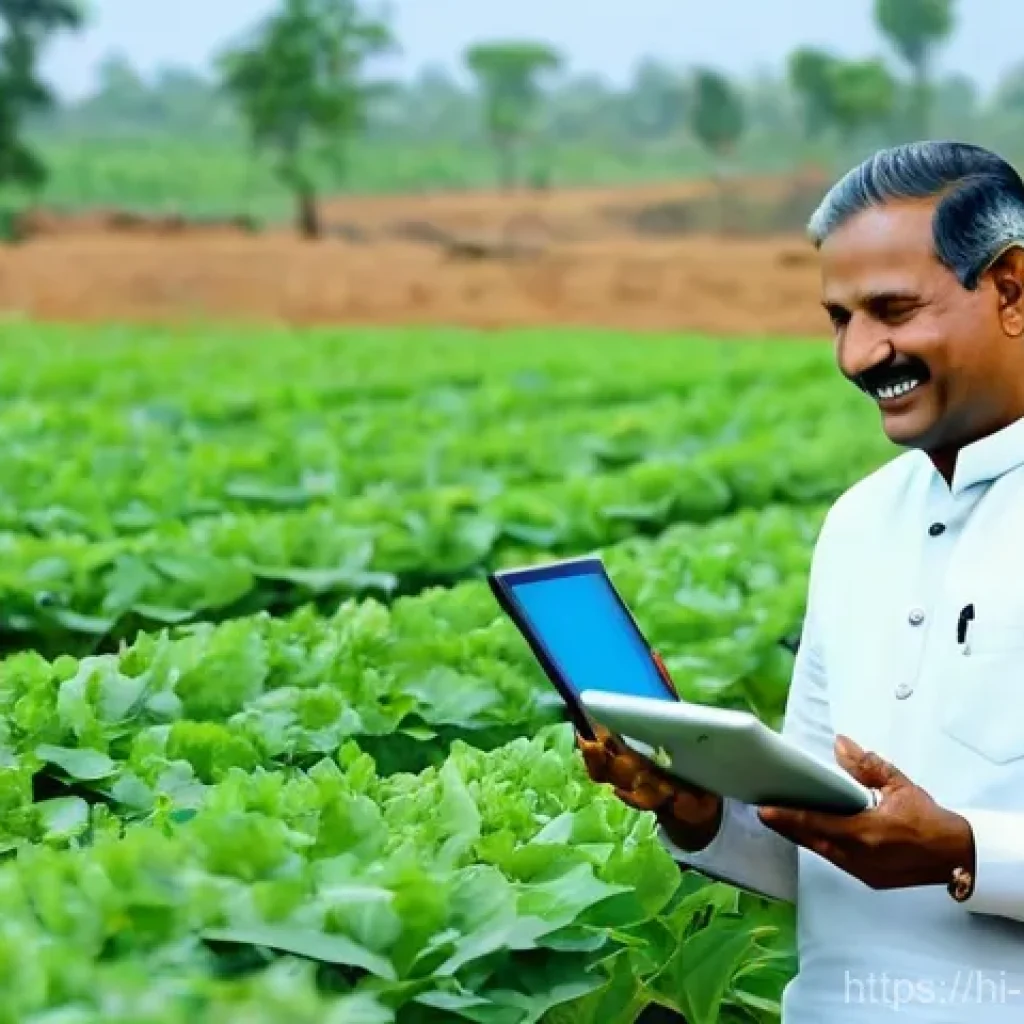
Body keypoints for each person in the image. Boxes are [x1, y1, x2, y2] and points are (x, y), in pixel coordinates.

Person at [579, 141, 1024, 1022]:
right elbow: (825, 843)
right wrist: (703, 813)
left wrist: (965, 848)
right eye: (838, 318)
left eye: (893, 310)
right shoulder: (857, 524)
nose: (861, 355)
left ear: (1011, 289)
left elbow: (927, 851)